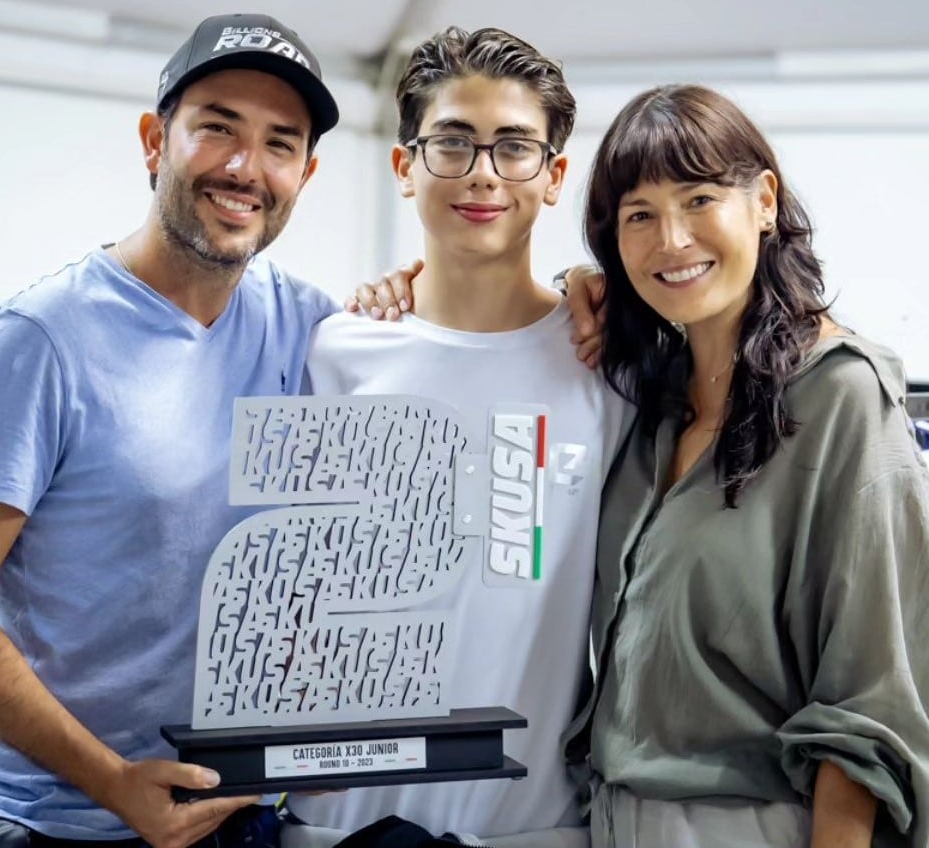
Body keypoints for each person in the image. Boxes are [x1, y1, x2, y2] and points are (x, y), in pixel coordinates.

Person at [0, 13, 341, 847]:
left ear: (305, 172)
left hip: (240, 816)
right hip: (51, 827)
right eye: (217, 128)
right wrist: (114, 784)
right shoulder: (36, 341)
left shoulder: (309, 325)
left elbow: (457, 326)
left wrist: (585, 286)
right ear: (154, 140)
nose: (246, 168)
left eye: (280, 144)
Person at [285, 27, 629, 848]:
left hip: (531, 824)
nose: (481, 171)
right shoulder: (334, 353)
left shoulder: (605, 367)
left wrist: (597, 282)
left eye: (514, 148)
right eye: (452, 143)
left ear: (553, 178)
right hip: (335, 824)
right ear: (404, 168)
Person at [559, 84, 929, 847]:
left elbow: (870, 704)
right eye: (639, 215)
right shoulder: (649, 403)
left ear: (764, 201)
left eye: (698, 199)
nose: (671, 239)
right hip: (608, 819)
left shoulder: (841, 397)